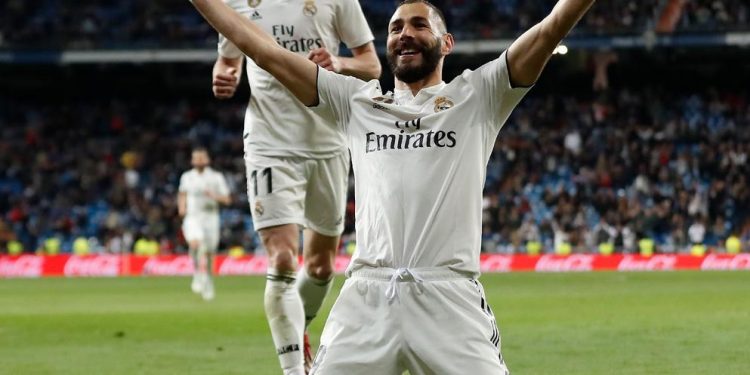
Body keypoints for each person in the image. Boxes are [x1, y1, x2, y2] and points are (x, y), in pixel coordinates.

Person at [188, 0, 594, 372]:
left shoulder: (479, 95)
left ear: (446, 42)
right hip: (367, 300)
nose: (405, 33)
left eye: (419, 24)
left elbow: (549, 29)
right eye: (396, 27)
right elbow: (264, 51)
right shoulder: (355, 102)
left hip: (449, 299)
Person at [209, 0, 381, 373]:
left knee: (320, 266)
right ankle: (294, 369)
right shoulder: (239, 2)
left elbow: (372, 66)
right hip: (269, 143)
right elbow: (229, 60)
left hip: (329, 141)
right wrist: (224, 74)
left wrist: (340, 64)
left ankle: (295, 326)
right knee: (283, 259)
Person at [178, 147, 231, 301]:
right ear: (192, 161)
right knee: (195, 244)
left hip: (211, 217)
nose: (199, 160)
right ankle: (196, 273)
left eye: (202, 158)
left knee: (208, 252)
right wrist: (182, 208)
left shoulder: (216, 177)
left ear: (208, 160)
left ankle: (207, 279)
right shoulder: (187, 177)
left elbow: (227, 199)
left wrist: (213, 195)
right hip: (193, 216)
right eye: (197, 158)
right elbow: (182, 193)